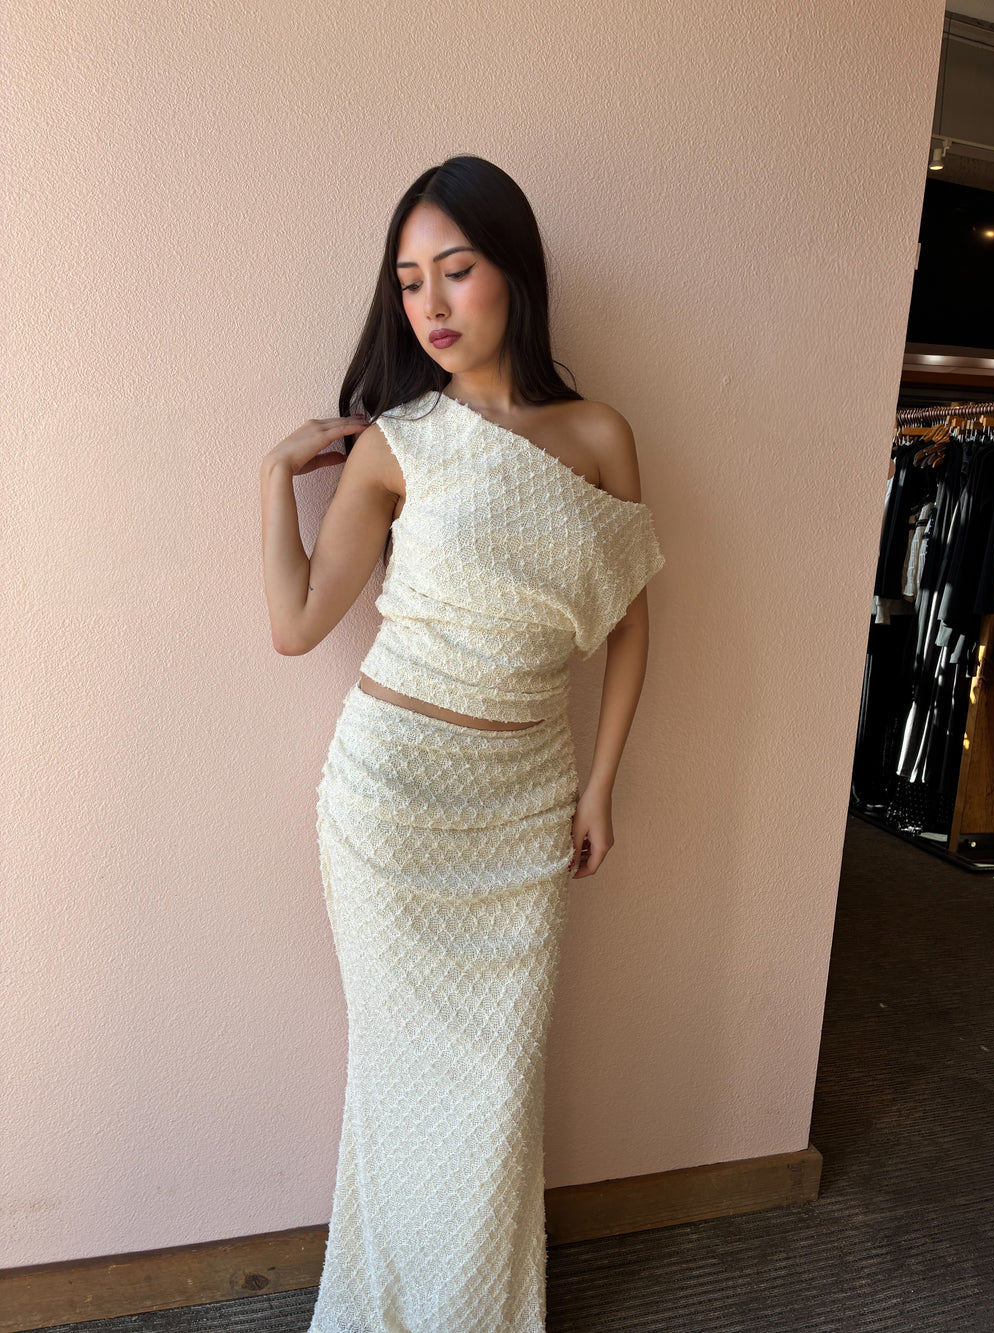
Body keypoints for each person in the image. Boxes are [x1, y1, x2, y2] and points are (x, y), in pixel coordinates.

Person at [259, 155, 665, 1333]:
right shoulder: (397, 442)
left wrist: (599, 788)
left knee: (493, 1094)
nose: (430, 306)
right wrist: (269, 480)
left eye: (455, 271)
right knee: (399, 1091)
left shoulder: (598, 433)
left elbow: (634, 629)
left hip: (526, 805)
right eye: (407, 283)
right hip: (388, 806)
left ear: (513, 277)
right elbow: (295, 628)